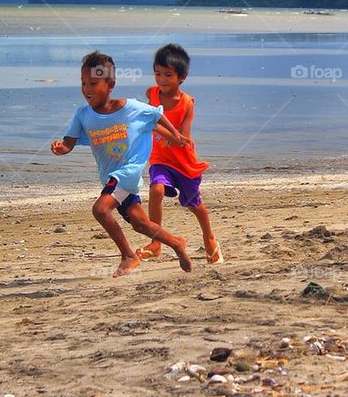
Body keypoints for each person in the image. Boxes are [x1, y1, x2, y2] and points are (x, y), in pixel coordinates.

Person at [51, 51, 193, 277]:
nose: (87, 89)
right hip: (112, 178)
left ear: (110, 84)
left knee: (100, 209)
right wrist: (62, 149)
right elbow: (70, 142)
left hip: (126, 174)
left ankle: (128, 255)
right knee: (141, 224)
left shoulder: (131, 108)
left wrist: (175, 135)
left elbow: (156, 115)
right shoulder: (82, 115)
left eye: (94, 83)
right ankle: (177, 243)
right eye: (83, 83)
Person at [140, 43, 223, 264]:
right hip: (159, 158)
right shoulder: (152, 93)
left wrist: (171, 134)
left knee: (193, 205)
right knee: (156, 190)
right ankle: (156, 242)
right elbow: (151, 119)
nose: (162, 80)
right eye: (158, 74)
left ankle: (209, 237)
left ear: (182, 77)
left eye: (168, 75)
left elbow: (183, 138)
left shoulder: (187, 103)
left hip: (183, 161)